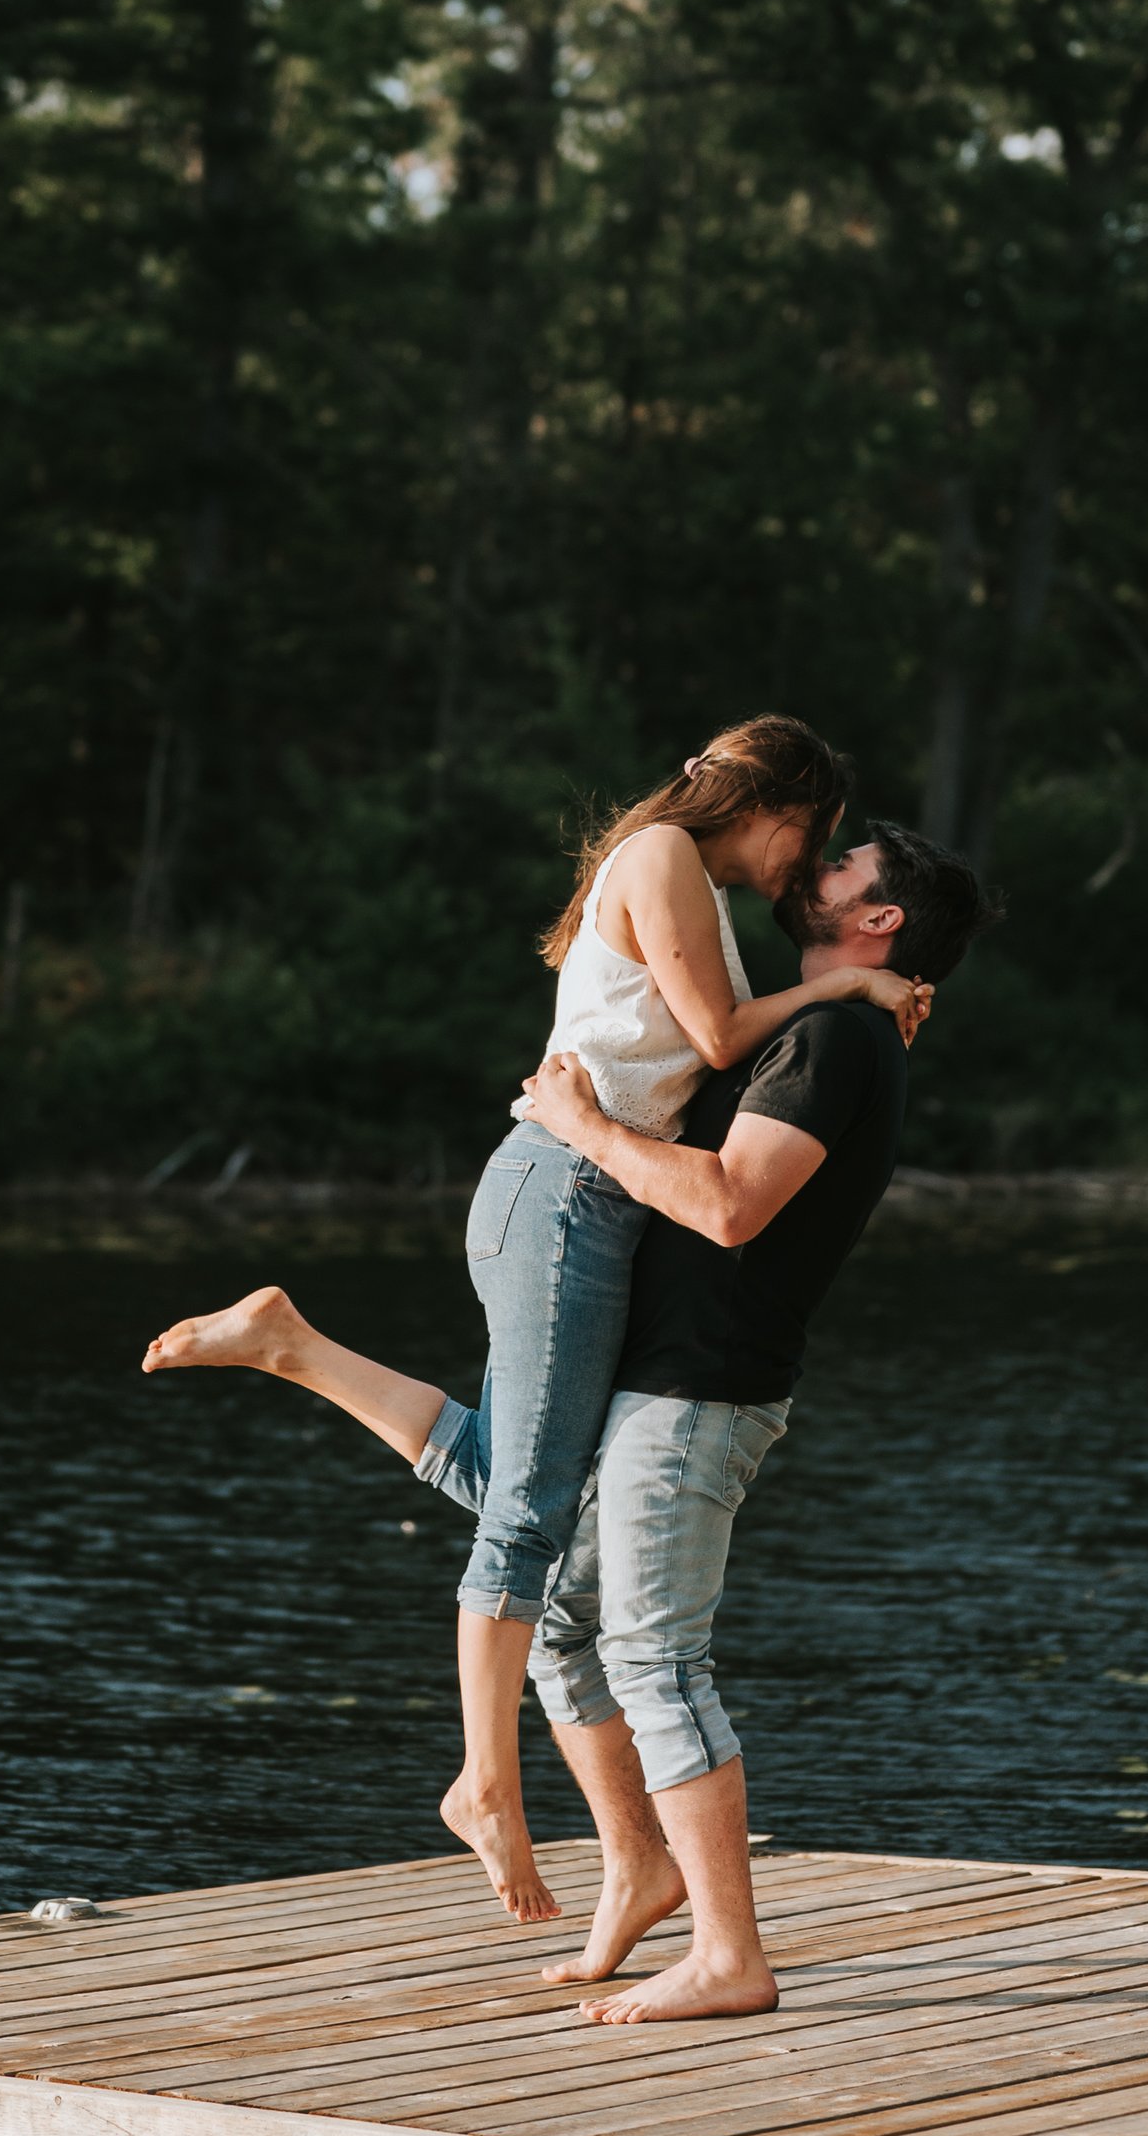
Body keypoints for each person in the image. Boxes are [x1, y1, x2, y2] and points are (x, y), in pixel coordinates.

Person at [144, 817, 997, 2017]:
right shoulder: (821, 1018)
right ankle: (641, 1865)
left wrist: (579, 1125)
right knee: (549, 1603)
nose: (818, 862)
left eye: (844, 861)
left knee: (652, 1653)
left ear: (881, 915)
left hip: (702, 1388)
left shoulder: (841, 1037)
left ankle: (727, 1952)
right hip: (662, 1370)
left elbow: (731, 1204)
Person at [418, 717, 922, 1923]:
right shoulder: (659, 859)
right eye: (817, 834)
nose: (811, 860)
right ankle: (486, 1782)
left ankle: (292, 1345)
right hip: (561, 1183)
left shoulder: (682, 875)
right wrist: (846, 980)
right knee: (531, 1503)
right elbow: (708, 1042)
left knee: (530, 1483)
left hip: (596, 1193)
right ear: (776, 803)